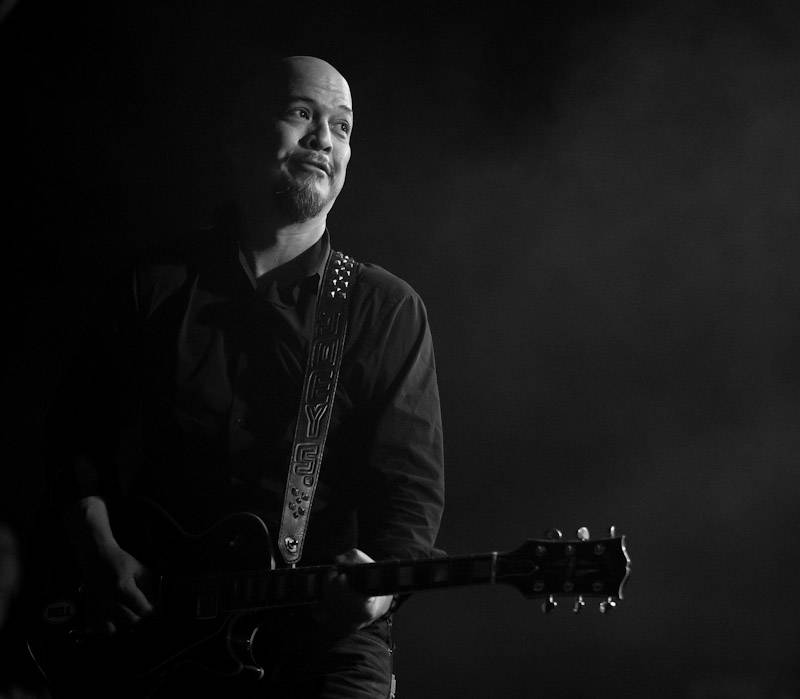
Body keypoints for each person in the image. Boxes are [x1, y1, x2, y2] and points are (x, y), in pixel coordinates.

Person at [43, 55, 444, 698]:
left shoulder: (384, 309)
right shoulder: (155, 284)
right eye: (302, 113)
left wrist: (380, 588)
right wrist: (100, 553)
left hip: (320, 642)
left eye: (342, 126)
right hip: (154, 626)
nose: (324, 139)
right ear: (241, 134)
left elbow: (409, 494)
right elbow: (73, 439)